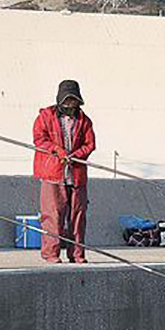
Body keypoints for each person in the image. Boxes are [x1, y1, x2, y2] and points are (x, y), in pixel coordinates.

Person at [33, 80, 96, 263]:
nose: (70, 105)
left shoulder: (84, 121)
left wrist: (76, 155)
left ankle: (76, 254)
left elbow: (89, 144)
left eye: (73, 101)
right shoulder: (45, 116)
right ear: (60, 100)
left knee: (77, 217)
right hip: (52, 174)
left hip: (76, 176)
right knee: (52, 215)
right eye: (67, 101)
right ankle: (51, 253)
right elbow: (39, 139)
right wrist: (57, 151)